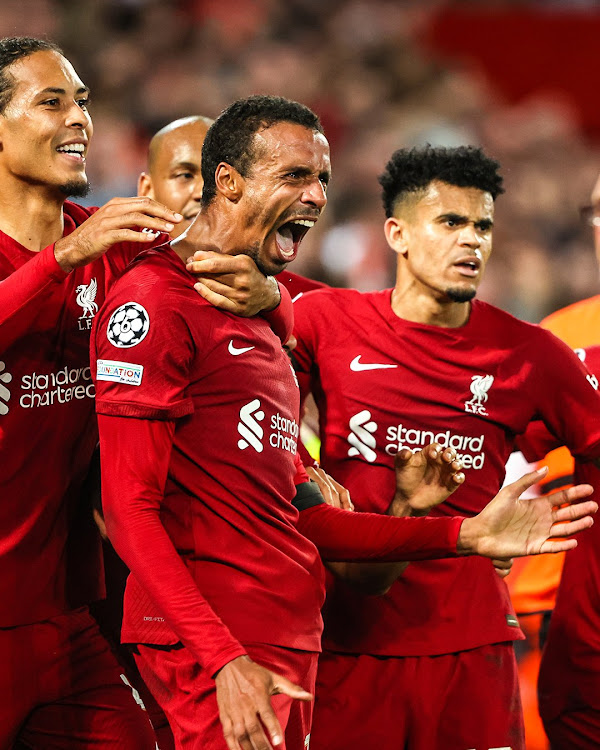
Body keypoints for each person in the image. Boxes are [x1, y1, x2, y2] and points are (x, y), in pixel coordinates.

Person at [91, 97, 598, 750]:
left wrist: (458, 530)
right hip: (238, 645)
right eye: (297, 176)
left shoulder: (272, 317)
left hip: (296, 637)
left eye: (323, 179)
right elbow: (129, 505)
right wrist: (221, 657)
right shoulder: (159, 303)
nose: (316, 195)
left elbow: (298, 516)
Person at [0, 37, 281, 749]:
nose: (79, 120)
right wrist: (61, 259)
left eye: (84, 101)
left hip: (64, 614)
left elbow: (223, 298)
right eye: (51, 101)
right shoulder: (88, 248)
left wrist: (274, 292)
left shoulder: (115, 248)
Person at [290, 145, 600, 750]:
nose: (472, 241)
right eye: (451, 223)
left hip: (474, 647)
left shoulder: (531, 354)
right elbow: (253, 404)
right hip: (353, 638)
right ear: (397, 234)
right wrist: (301, 470)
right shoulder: (327, 320)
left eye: (482, 225)